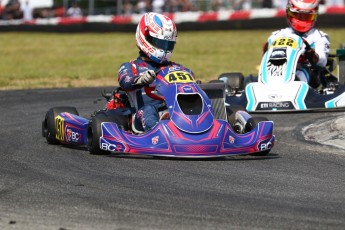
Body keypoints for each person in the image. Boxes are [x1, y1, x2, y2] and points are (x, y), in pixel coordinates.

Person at [108, 12, 194, 133]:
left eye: (168, 44)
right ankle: (159, 134)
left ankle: (207, 130)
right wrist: (141, 79)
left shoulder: (176, 67)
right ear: (145, 37)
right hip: (143, 113)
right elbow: (125, 82)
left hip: (176, 110)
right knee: (148, 110)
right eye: (160, 43)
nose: (164, 48)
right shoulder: (131, 66)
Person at [263, 0, 330, 88]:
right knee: (250, 79)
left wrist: (312, 56)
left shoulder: (319, 36)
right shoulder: (277, 36)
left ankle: (291, 88)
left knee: (303, 71)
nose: (302, 19)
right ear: (289, 12)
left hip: (309, 75)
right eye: (298, 15)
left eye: (307, 16)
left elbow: (322, 61)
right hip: (278, 71)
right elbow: (266, 59)